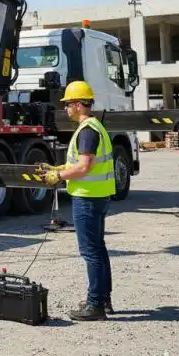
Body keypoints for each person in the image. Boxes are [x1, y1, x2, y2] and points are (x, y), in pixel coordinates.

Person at [37, 80, 116, 321]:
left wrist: (58, 176)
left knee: (90, 252)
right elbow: (82, 164)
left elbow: (84, 167)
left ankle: (95, 305)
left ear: (79, 104)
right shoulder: (94, 126)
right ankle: (102, 299)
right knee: (98, 249)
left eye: (68, 104)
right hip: (98, 196)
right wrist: (59, 167)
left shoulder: (87, 130)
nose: (66, 108)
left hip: (87, 198)